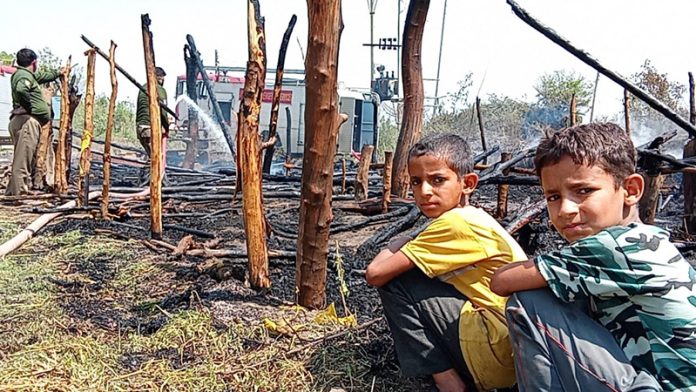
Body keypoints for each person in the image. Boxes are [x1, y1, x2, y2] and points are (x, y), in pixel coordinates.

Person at [491, 123, 696, 391]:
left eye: (584, 191)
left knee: (530, 302)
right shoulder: (647, 238)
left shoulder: (616, 246)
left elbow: (501, 281)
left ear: (631, 190)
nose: (564, 209)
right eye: (553, 197)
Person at [365, 134, 526, 392]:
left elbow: (375, 273)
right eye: (416, 182)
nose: (424, 191)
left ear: (468, 183)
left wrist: (406, 237)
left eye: (437, 180)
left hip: (497, 351)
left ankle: (447, 382)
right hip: (517, 353)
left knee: (398, 281)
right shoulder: (475, 218)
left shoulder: (456, 223)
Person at [6, 48, 62, 195]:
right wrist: (27, 107)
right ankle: (19, 194)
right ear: (34, 62)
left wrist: (58, 72)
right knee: (22, 161)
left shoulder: (27, 75)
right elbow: (20, 89)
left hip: (27, 122)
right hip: (26, 122)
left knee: (23, 158)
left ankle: (13, 191)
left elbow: (43, 76)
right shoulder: (23, 77)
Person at [135, 66, 170, 185]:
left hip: (140, 128)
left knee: (152, 156)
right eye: (163, 79)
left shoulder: (143, 88)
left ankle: (150, 182)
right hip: (150, 128)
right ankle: (148, 185)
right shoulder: (159, 89)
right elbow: (164, 111)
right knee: (156, 157)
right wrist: (167, 126)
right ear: (160, 78)